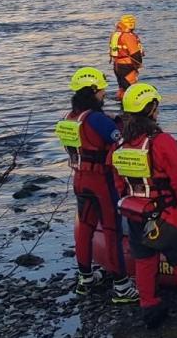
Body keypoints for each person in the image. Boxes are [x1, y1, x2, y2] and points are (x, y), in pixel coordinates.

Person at [110, 83, 177, 329]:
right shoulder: (161, 141)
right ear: (152, 108)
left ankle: (150, 309)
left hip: (134, 213)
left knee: (144, 261)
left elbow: (118, 181)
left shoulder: (120, 144)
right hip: (166, 213)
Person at [55, 67, 139, 304]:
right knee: (111, 230)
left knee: (85, 227)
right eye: (102, 89)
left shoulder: (68, 118)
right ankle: (122, 286)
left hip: (79, 179)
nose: (104, 93)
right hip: (101, 181)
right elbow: (120, 139)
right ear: (93, 91)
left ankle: (85, 277)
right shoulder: (96, 118)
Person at [109, 14, 144, 101]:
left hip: (117, 66)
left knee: (122, 89)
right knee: (131, 90)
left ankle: (121, 106)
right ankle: (131, 109)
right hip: (128, 66)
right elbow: (135, 53)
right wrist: (139, 65)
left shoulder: (115, 34)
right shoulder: (128, 36)